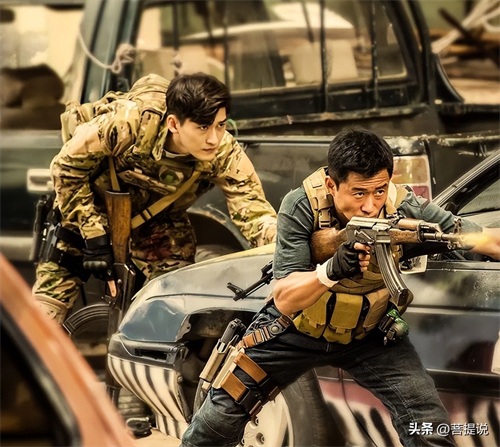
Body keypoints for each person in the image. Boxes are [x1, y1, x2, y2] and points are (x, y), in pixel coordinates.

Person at [181, 127, 500, 447]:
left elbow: (484, 239)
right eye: (359, 193)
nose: (371, 205)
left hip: (369, 333)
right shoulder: (301, 205)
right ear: (332, 185)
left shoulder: (404, 207)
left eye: (379, 191)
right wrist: (330, 271)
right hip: (294, 328)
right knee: (219, 417)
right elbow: (285, 298)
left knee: (427, 422)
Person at [32, 72, 277, 322]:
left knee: (173, 305)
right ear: (173, 124)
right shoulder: (126, 123)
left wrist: (284, 244)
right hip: (87, 210)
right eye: (203, 127)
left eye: (221, 125)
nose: (214, 138)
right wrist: (94, 235)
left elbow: (253, 208)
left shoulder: (224, 151)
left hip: (157, 225)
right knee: (44, 314)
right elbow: (65, 168)